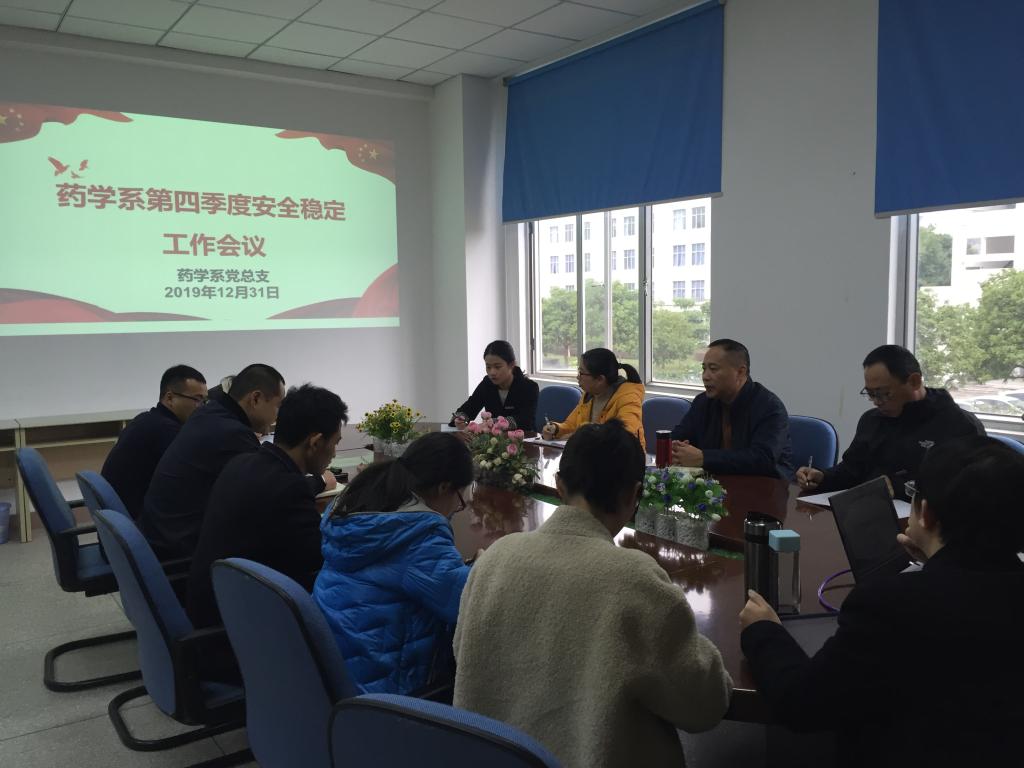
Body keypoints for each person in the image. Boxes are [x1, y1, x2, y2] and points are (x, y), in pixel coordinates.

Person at [454, 421, 732, 768]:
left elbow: (463, 650)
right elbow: (704, 705)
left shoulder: (495, 558)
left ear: (558, 486)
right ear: (633, 495)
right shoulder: (635, 579)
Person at [740, 436, 1024, 766]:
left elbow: (803, 704)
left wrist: (763, 630)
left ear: (926, 513)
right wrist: (935, 560)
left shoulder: (891, 603)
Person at [314, 432, 474, 696]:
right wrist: (486, 567)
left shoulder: (358, 505)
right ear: (444, 487)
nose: (457, 509)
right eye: (460, 501)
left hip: (333, 670)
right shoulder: (419, 537)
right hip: (385, 689)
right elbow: (471, 604)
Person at [186, 384, 348, 630]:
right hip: (238, 628)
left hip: (211, 604)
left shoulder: (242, 462)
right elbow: (321, 560)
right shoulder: (289, 488)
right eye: (335, 443)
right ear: (315, 442)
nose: (334, 453)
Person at [140, 363, 289, 558]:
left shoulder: (208, 414)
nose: (278, 415)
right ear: (256, 398)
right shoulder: (234, 434)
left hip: (159, 535)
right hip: (179, 552)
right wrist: (316, 482)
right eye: (278, 406)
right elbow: (269, 494)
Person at [795, 345, 984, 495]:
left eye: (884, 393)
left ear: (914, 381)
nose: (877, 402)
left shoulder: (959, 425)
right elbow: (852, 470)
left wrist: (899, 487)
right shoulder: (872, 420)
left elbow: (965, 491)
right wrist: (823, 477)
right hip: (870, 516)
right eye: (871, 394)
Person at [670, 339, 793, 479]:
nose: (705, 377)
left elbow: (763, 458)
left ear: (740, 372)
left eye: (713, 369)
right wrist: (677, 448)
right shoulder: (703, 402)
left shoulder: (769, 407)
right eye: (704, 369)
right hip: (712, 485)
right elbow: (678, 436)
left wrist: (704, 458)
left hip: (764, 486)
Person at [101, 365, 207, 520]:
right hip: (138, 522)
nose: (202, 408)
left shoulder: (146, 418)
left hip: (119, 522)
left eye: (205, 401)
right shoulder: (167, 431)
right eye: (197, 400)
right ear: (170, 398)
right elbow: (192, 481)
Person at [541, 348, 645, 445]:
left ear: (600, 379)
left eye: (581, 373)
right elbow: (571, 425)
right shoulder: (589, 395)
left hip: (622, 457)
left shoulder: (628, 397)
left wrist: (581, 434)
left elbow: (623, 436)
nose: (578, 377)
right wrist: (556, 429)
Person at [451, 340, 539, 432]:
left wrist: (493, 422)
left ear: (511, 365)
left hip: (524, 439)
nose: (492, 372)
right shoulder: (487, 383)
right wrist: (461, 418)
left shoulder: (529, 387)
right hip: (493, 439)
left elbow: (525, 421)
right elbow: (470, 406)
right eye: (488, 367)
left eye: (497, 367)